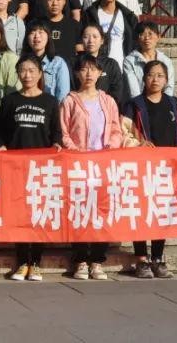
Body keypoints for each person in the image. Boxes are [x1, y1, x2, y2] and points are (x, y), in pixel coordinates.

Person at [123, 60, 177, 279]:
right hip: (142, 167)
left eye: (160, 75)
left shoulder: (173, 104)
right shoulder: (134, 105)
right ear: (144, 78)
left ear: (166, 80)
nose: (155, 79)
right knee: (142, 211)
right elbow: (123, 134)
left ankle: (158, 258)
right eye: (151, 75)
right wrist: (139, 143)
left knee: (162, 211)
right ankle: (141, 259)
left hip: (167, 169)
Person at [60, 54, 125, 281]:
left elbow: (116, 129)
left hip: (102, 165)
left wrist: (110, 147)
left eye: (93, 69)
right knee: (79, 212)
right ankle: (80, 260)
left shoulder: (108, 101)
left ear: (99, 73)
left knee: (101, 212)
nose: (88, 73)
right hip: (78, 165)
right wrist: (76, 151)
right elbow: (64, 132)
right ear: (77, 73)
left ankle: (97, 260)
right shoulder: (70, 101)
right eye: (83, 69)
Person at [0, 56, 62, 282]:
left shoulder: (50, 101)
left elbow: (56, 132)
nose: (27, 75)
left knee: (39, 215)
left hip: (41, 169)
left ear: (40, 73)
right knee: (20, 215)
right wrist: (2, 146)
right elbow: (1, 132)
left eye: (32, 70)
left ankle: (36, 263)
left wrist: (56, 145)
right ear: (17, 73)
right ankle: (22, 261)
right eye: (23, 70)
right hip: (16, 168)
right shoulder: (10, 101)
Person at [82, 0, 139, 70]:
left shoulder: (128, 16)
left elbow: (134, 43)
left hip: (121, 68)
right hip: (95, 68)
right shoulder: (89, 15)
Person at [75, 24, 126, 104]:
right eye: (86, 37)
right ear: (82, 40)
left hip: (106, 107)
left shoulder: (111, 64)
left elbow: (117, 91)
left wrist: (104, 106)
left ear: (102, 40)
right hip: (78, 106)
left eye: (95, 37)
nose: (91, 41)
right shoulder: (74, 63)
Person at [23, 21, 71, 103]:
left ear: (48, 36)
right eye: (32, 32)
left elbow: (63, 97)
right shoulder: (21, 63)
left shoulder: (58, 63)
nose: (37, 36)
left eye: (41, 32)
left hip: (50, 109)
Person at [125, 22, 175, 97]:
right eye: (142, 34)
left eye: (150, 34)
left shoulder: (166, 61)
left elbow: (169, 87)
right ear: (138, 39)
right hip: (139, 102)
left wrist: (164, 102)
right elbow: (134, 91)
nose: (147, 38)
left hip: (163, 102)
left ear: (158, 36)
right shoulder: (130, 61)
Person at [42, 0, 81, 66]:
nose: (55, 3)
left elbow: (80, 50)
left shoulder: (74, 25)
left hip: (69, 69)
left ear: (64, 2)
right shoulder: (37, 25)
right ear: (45, 1)